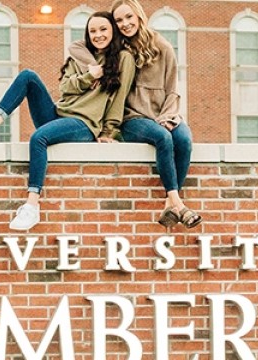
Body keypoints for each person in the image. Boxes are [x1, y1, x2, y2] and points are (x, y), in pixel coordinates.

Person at [0, 11, 135, 231]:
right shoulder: (81, 56)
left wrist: (108, 132)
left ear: (113, 31)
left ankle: (32, 205)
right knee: (27, 75)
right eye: (92, 31)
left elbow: (119, 98)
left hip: (84, 124)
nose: (98, 35)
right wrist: (90, 75)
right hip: (58, 115)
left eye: (103, 29)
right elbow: (64, 87)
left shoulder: (123, 59)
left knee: (38, 138)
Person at [69, 0, 202, 230]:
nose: (124, 24)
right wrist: (94, 68)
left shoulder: (163, 47)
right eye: (119, 20)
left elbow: (172, 90)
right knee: (163, 138)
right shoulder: (117, 48)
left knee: (183, 140)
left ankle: (170, 203)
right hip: (132, 118)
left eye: (128, 17)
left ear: (139, 16)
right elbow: (75, 47)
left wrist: (168, 117)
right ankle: (178, 203)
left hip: (163, 114)